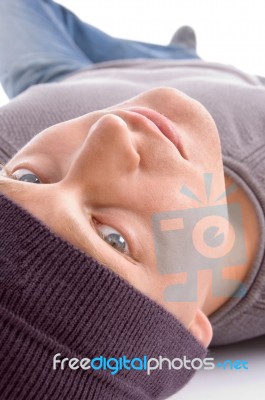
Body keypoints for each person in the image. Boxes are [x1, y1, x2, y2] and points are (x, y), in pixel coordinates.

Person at [0, 0, 264, 399]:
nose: (109, 130)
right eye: (113, 239)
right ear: (189, 330)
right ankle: (182, 53)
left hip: (61, 71)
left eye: (27, 177)